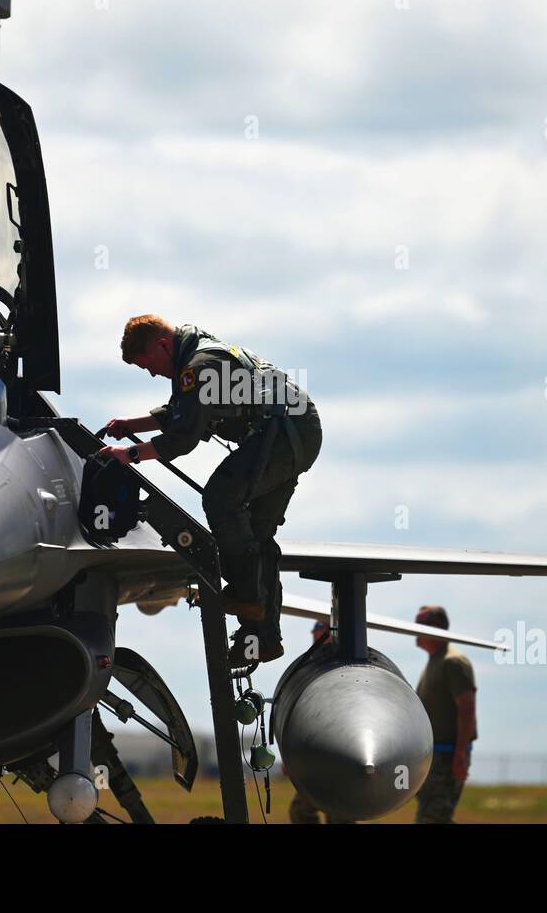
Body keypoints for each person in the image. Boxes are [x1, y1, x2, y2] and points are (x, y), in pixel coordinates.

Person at [100, 315, 322, 667]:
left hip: (285, 433)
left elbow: (183, 437)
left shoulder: (200, 365)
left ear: (161, 344)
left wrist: (128, 455)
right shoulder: (201, 355)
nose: (153, 374)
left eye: (150, 366)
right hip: (296, 431)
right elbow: (182, 412)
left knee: (220, 497)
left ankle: (246, 597)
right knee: (256, 534)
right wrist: (132, 425)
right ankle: (262, 639)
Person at [287, 621, 355, 824]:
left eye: (320, 632)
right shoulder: (312, 663)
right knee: (301, 811)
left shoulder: (341, 663)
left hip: (341, 750)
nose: (316, 637)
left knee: (339, 812)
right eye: (315, 633)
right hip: (317, 753)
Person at [413, 605, 476, 823]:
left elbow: (467, 709)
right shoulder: (435, 661)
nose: (414, 630)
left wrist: (459, 754)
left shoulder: (453, 662)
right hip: (434, 758)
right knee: (434, 816)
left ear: (436, 628)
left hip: (447, 757)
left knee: (433, 818)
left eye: (419, 625)